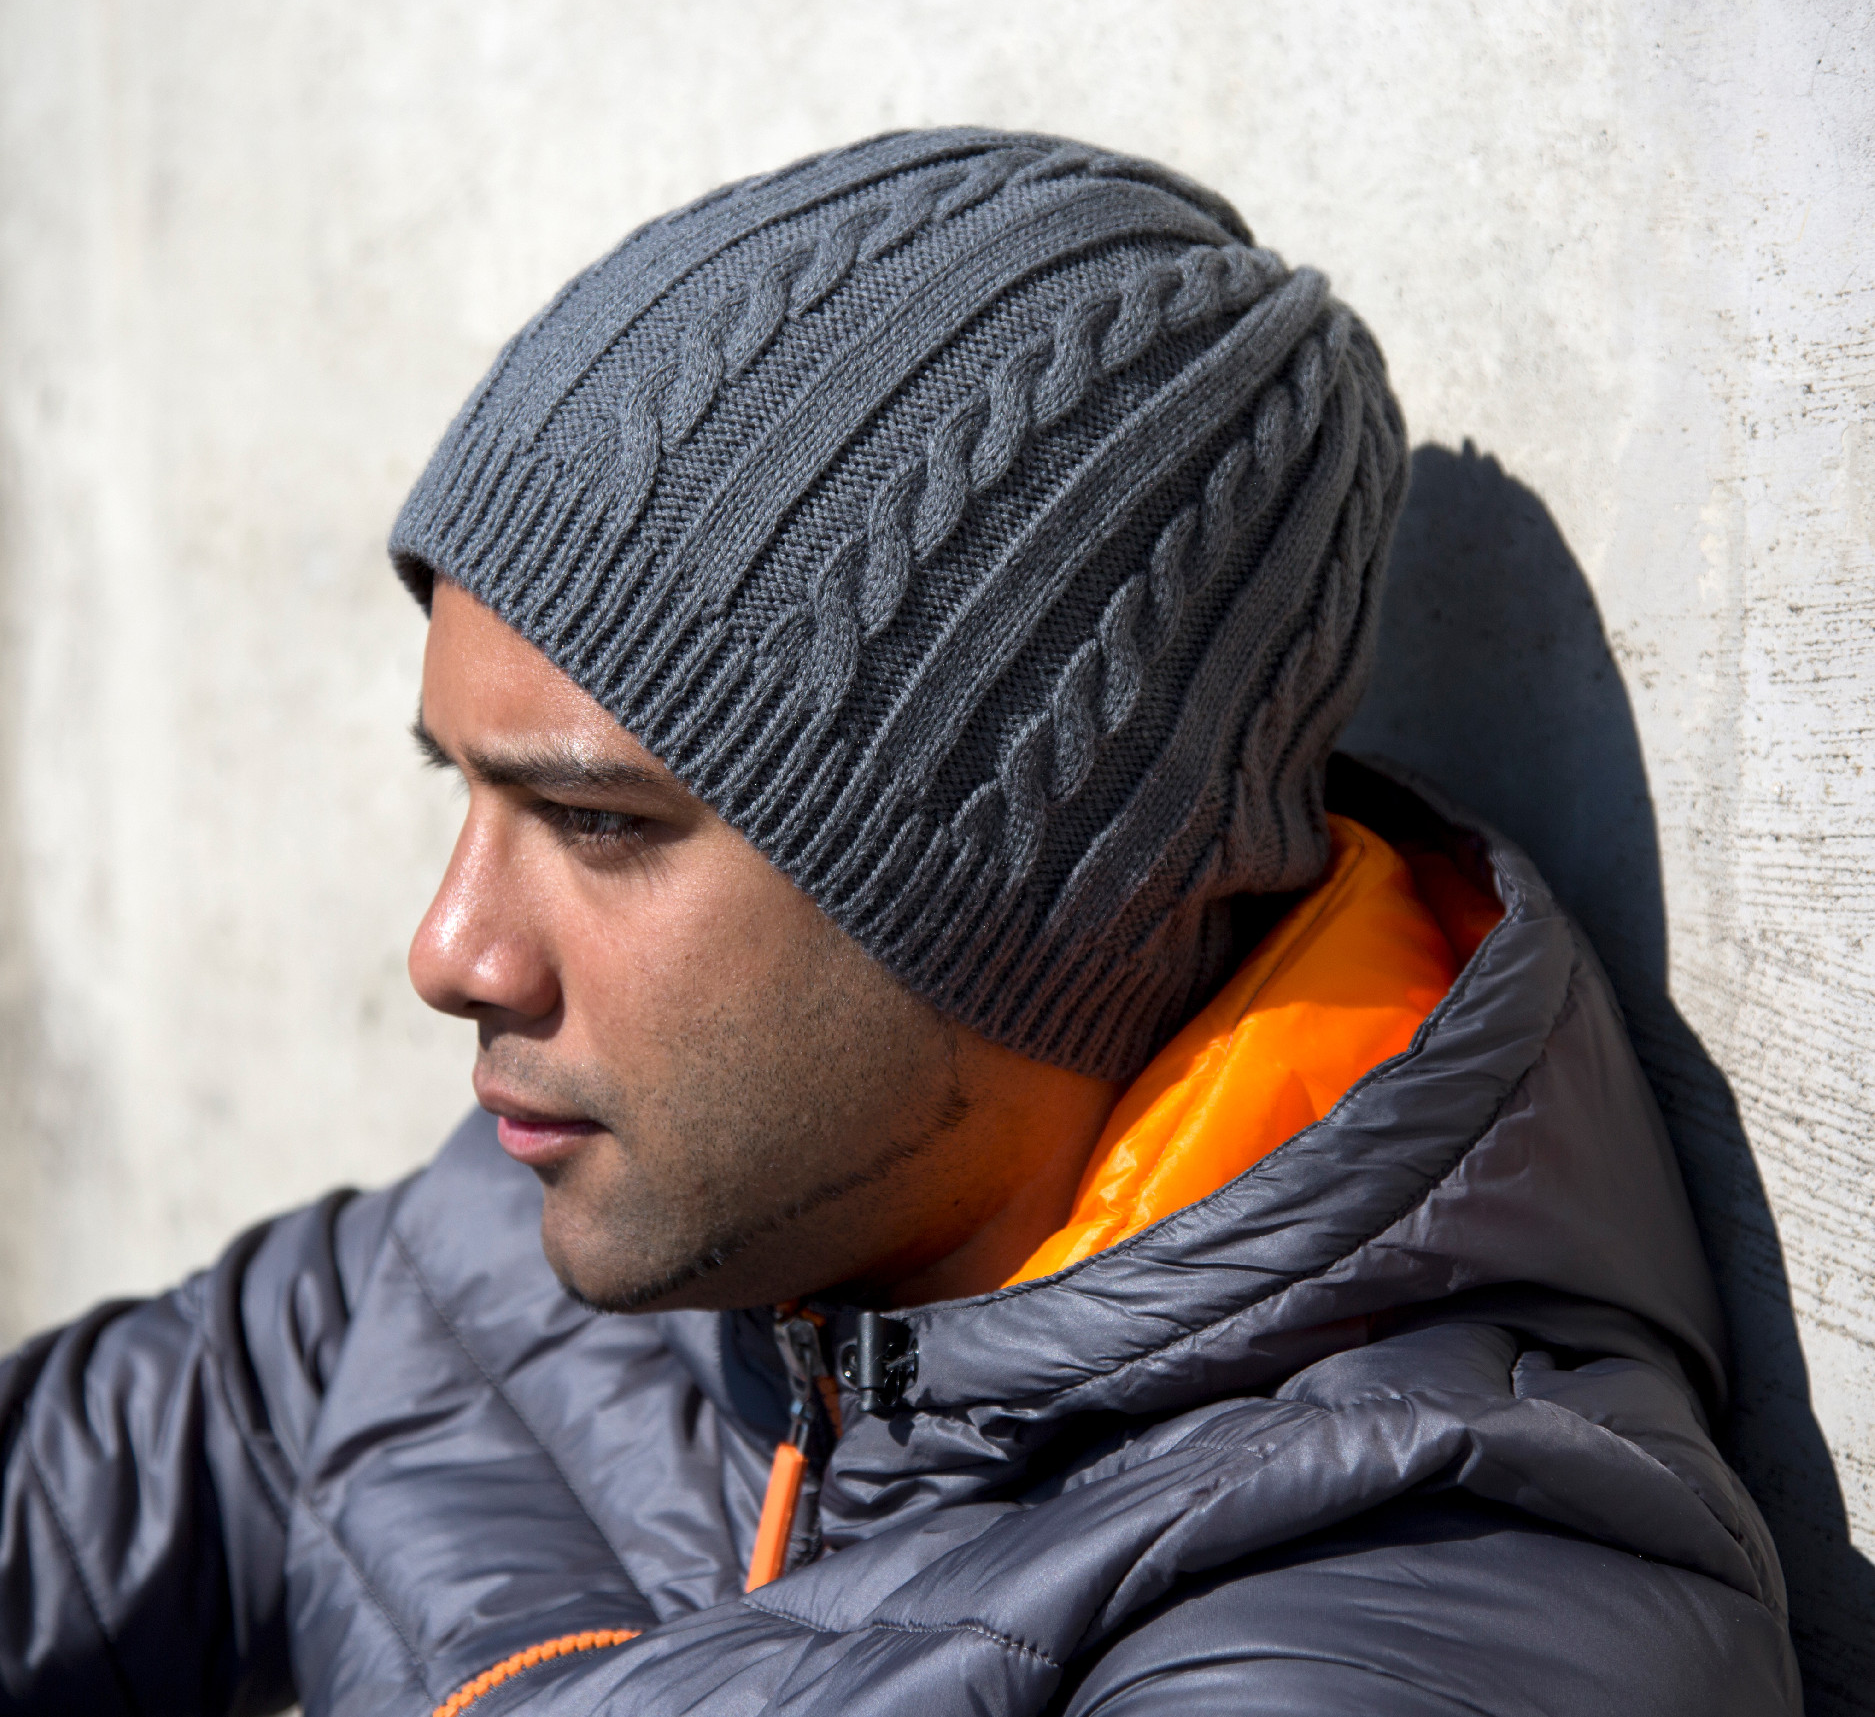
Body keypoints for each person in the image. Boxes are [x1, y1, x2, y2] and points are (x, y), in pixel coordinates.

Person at [0, 129, 1799, 1716]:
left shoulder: (1403, 1598)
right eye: (455, 791)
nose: (451, 951)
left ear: (1048, 888)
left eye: (598, 822)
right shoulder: (526, 1243)